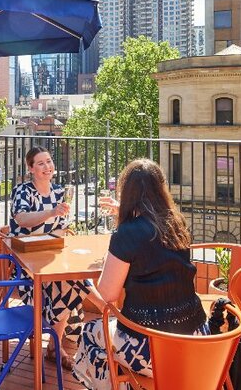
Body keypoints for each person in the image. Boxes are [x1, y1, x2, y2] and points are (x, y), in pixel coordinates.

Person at [72, 158, 208, 389]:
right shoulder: (176, 224)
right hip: (195, 341)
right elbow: (153, 246)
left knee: (90, 332)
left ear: (127, 193)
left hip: (151, 350)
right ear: (161, 189)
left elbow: (107, 296)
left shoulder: (126, 234)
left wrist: (84, 281)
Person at [8, 146, 98, 371]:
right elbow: (21, 219)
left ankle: (54, 345)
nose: (47, 166)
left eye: (49, 161)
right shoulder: (23, 191)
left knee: (69, 278)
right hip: (27, 266)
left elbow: (63, 228)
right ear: (31, 168)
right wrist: (51, 213)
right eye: (40, 163)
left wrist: (59, 228)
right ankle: (56, 346)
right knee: (69, 282)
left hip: (52, 257)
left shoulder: (59, 192)